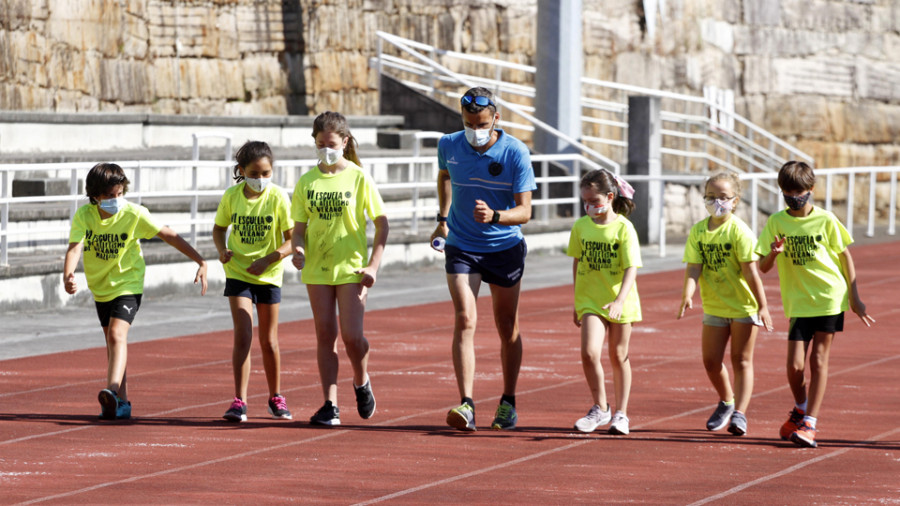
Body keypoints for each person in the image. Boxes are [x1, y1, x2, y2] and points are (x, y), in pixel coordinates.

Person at [63, 163, 208, 420]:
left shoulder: (134, 213)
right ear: (95, 196)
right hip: (101, 287)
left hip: (128, 284)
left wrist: (201, 260)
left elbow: (168, 234)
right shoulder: (84, 216)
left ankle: (112, 391)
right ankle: (122, 403)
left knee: (118, 335)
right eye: (109, 196)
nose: (115, 200)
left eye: (119, 194)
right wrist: (68, 274)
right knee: (113, 343)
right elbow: (75, 247)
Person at [430, 87, 536, 432]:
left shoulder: (515, 152)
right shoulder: (448, 144)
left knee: (507, 326)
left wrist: (495, 216)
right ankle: (467, 403)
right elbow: (445, 175)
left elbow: (525, 212)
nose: (475, 130)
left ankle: (508, 400)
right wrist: (443, 217)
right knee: (464, 318)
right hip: (462, 244)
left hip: (504, 246)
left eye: (482, 123)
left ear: (496, 120)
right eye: (468, 123)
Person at [757, 161, 875, 448]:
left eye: (798, 191)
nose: (792, 196)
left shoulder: (826, 220)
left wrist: (854, 296)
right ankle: (800, 408)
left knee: (819, 361)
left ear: (810, 190)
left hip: (828, 298)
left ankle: (810, 422)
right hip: (798, 302)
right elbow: (762, 267)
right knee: (794, 366)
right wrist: (774, 253)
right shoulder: (776, 222)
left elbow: (844, 255)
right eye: (787, 191)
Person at [291, 111, 388, 426]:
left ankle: (361, 381)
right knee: (325, 334)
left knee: (352, 336)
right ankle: (329, 404)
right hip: (318, 269)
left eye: (331, 143)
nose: (325, 149)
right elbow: (299, 227)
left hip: (352, 268)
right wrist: (299, 248)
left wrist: (374, 264)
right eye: (320, 144)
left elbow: (382, 223)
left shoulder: (359, 177)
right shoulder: (307, 181)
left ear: (345, 142)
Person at [676, 172, 773, 436]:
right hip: (715, 306)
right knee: (710, 361)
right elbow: (694, 267)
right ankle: (726, 400)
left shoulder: (739, 230)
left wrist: (762, 306)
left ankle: (740, 414)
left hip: (743, 306)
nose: (716, 202)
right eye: (710, 196)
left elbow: (752, 272)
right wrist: (687, 294)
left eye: (723, 197)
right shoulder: (698, 231)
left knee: (741, 360)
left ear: (735, 201)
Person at [213, 141, 295, 422]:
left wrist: (269, 260)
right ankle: (239, 401)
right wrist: (222, 250)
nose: (260, 179)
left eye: (266, 173)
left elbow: (292, 239)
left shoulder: (278, 197)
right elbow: (219, 228)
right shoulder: (232, 196)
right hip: (238, 272)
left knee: (269, 340)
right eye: (255, 173)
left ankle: (276, 397)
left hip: (269, 274)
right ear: (241, 171)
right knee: (244, 334)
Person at [567, 169, 640, 436]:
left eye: (594, 201)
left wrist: (620, 300)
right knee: (589, 352)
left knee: (618, 355)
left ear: (610, 197)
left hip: (620, 300)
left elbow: (632, 267)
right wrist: (576, 301)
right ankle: (600, 407)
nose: (589, 207)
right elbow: (577, 261)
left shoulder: (624, 227)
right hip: (590, 300)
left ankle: (621, 414)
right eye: (585, 201)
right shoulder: (581, 226)